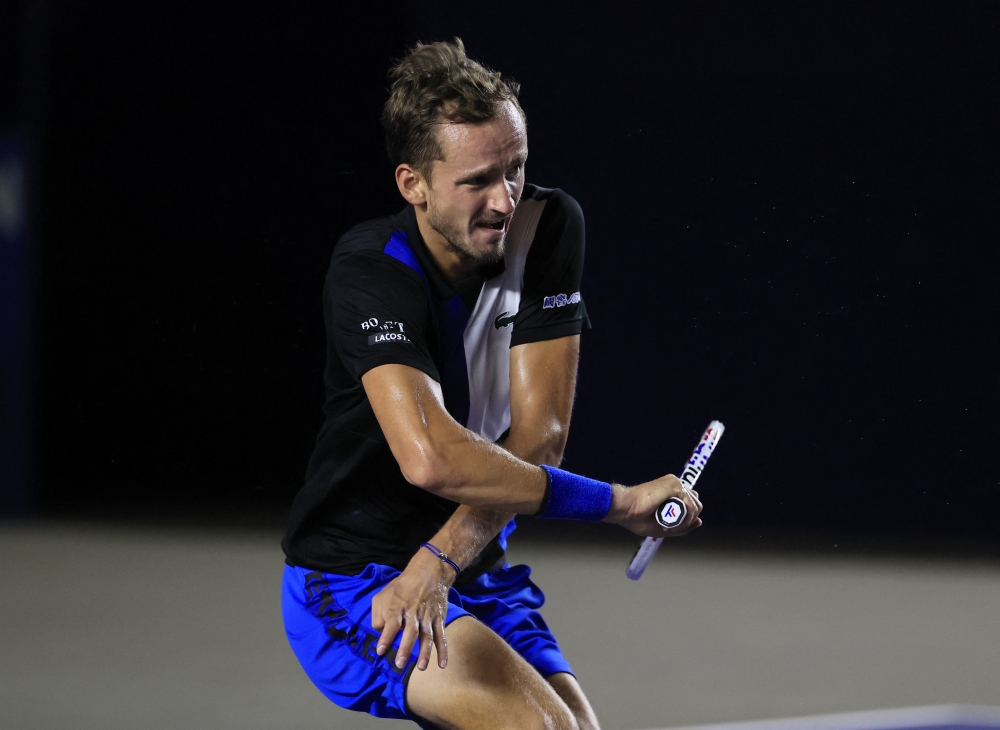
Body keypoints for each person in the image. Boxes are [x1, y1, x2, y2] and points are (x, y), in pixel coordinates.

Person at [281, 39, 703, 730]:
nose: (504, 199)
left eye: (515, 169)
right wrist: (618, 502)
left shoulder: (549, 225)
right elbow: (431, 458)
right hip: (354, 579)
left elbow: (541, 438)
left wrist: (443, 560)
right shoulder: (369, 271)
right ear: (412, 184)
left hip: (469, 563)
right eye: (477, 180)